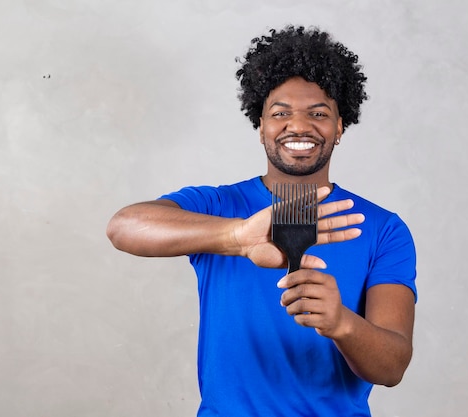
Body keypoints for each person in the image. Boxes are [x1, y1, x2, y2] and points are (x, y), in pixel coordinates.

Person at [107, 25, 417, 417]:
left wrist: (342, 323)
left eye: (318, 113)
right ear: (261, 127)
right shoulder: (217, 205)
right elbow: (123, 226)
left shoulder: (384, 229)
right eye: (280, 113)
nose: (299, 126)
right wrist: (235, 237)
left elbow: (392, 367)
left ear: (339, 127)